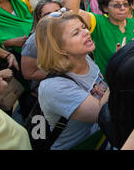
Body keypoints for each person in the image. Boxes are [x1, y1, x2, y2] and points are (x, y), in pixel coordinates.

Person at [35, 12, 109, 150]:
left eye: (83, 27)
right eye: (76, 33)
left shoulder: (85, 57)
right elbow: (101, 112)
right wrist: (118, 68)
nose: (86, 32)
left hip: (101, 138)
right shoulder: (54, 87)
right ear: (59, 47)